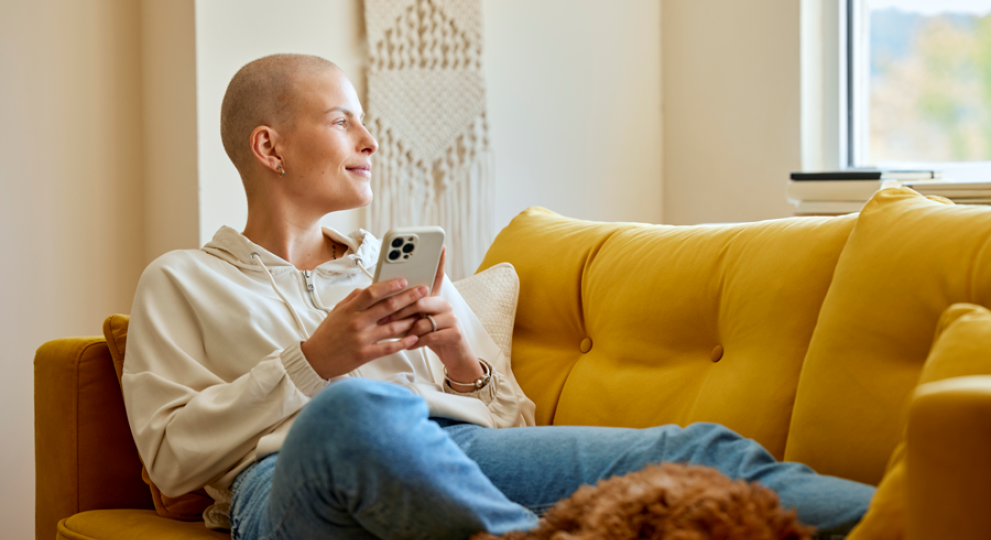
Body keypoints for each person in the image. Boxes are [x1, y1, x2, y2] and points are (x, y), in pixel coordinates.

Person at [122, 53, 874, 540]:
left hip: (459, 451)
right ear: (269, 146)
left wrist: (457, 353)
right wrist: (313, 362)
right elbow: (170, 458)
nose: (369, 140)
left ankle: (914, 519)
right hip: (285, 485)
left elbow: (511, 420)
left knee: (694, 453)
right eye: (341, 119)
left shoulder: (381, 272)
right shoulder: (183, 281)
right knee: (357, 411)